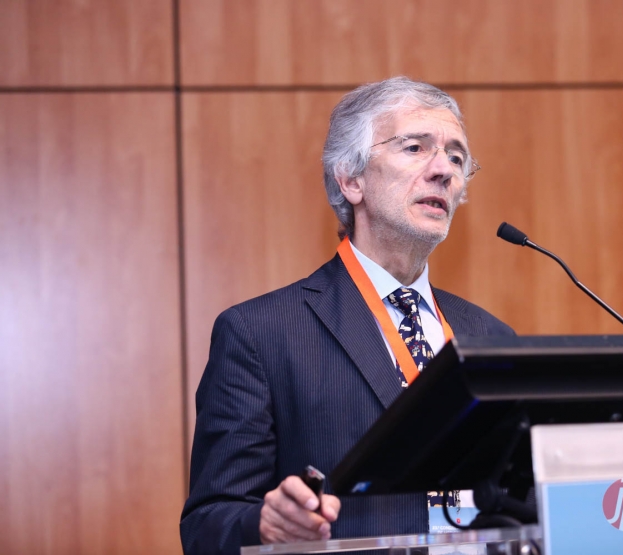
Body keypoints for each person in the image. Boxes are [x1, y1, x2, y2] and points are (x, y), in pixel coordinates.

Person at [180, 77, 514, 555]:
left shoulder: (491, 337)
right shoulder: (261, 334)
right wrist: (267, 525)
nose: (444, 170)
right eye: (415, 147)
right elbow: (208, 524)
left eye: (457, 158)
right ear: (351, 179)